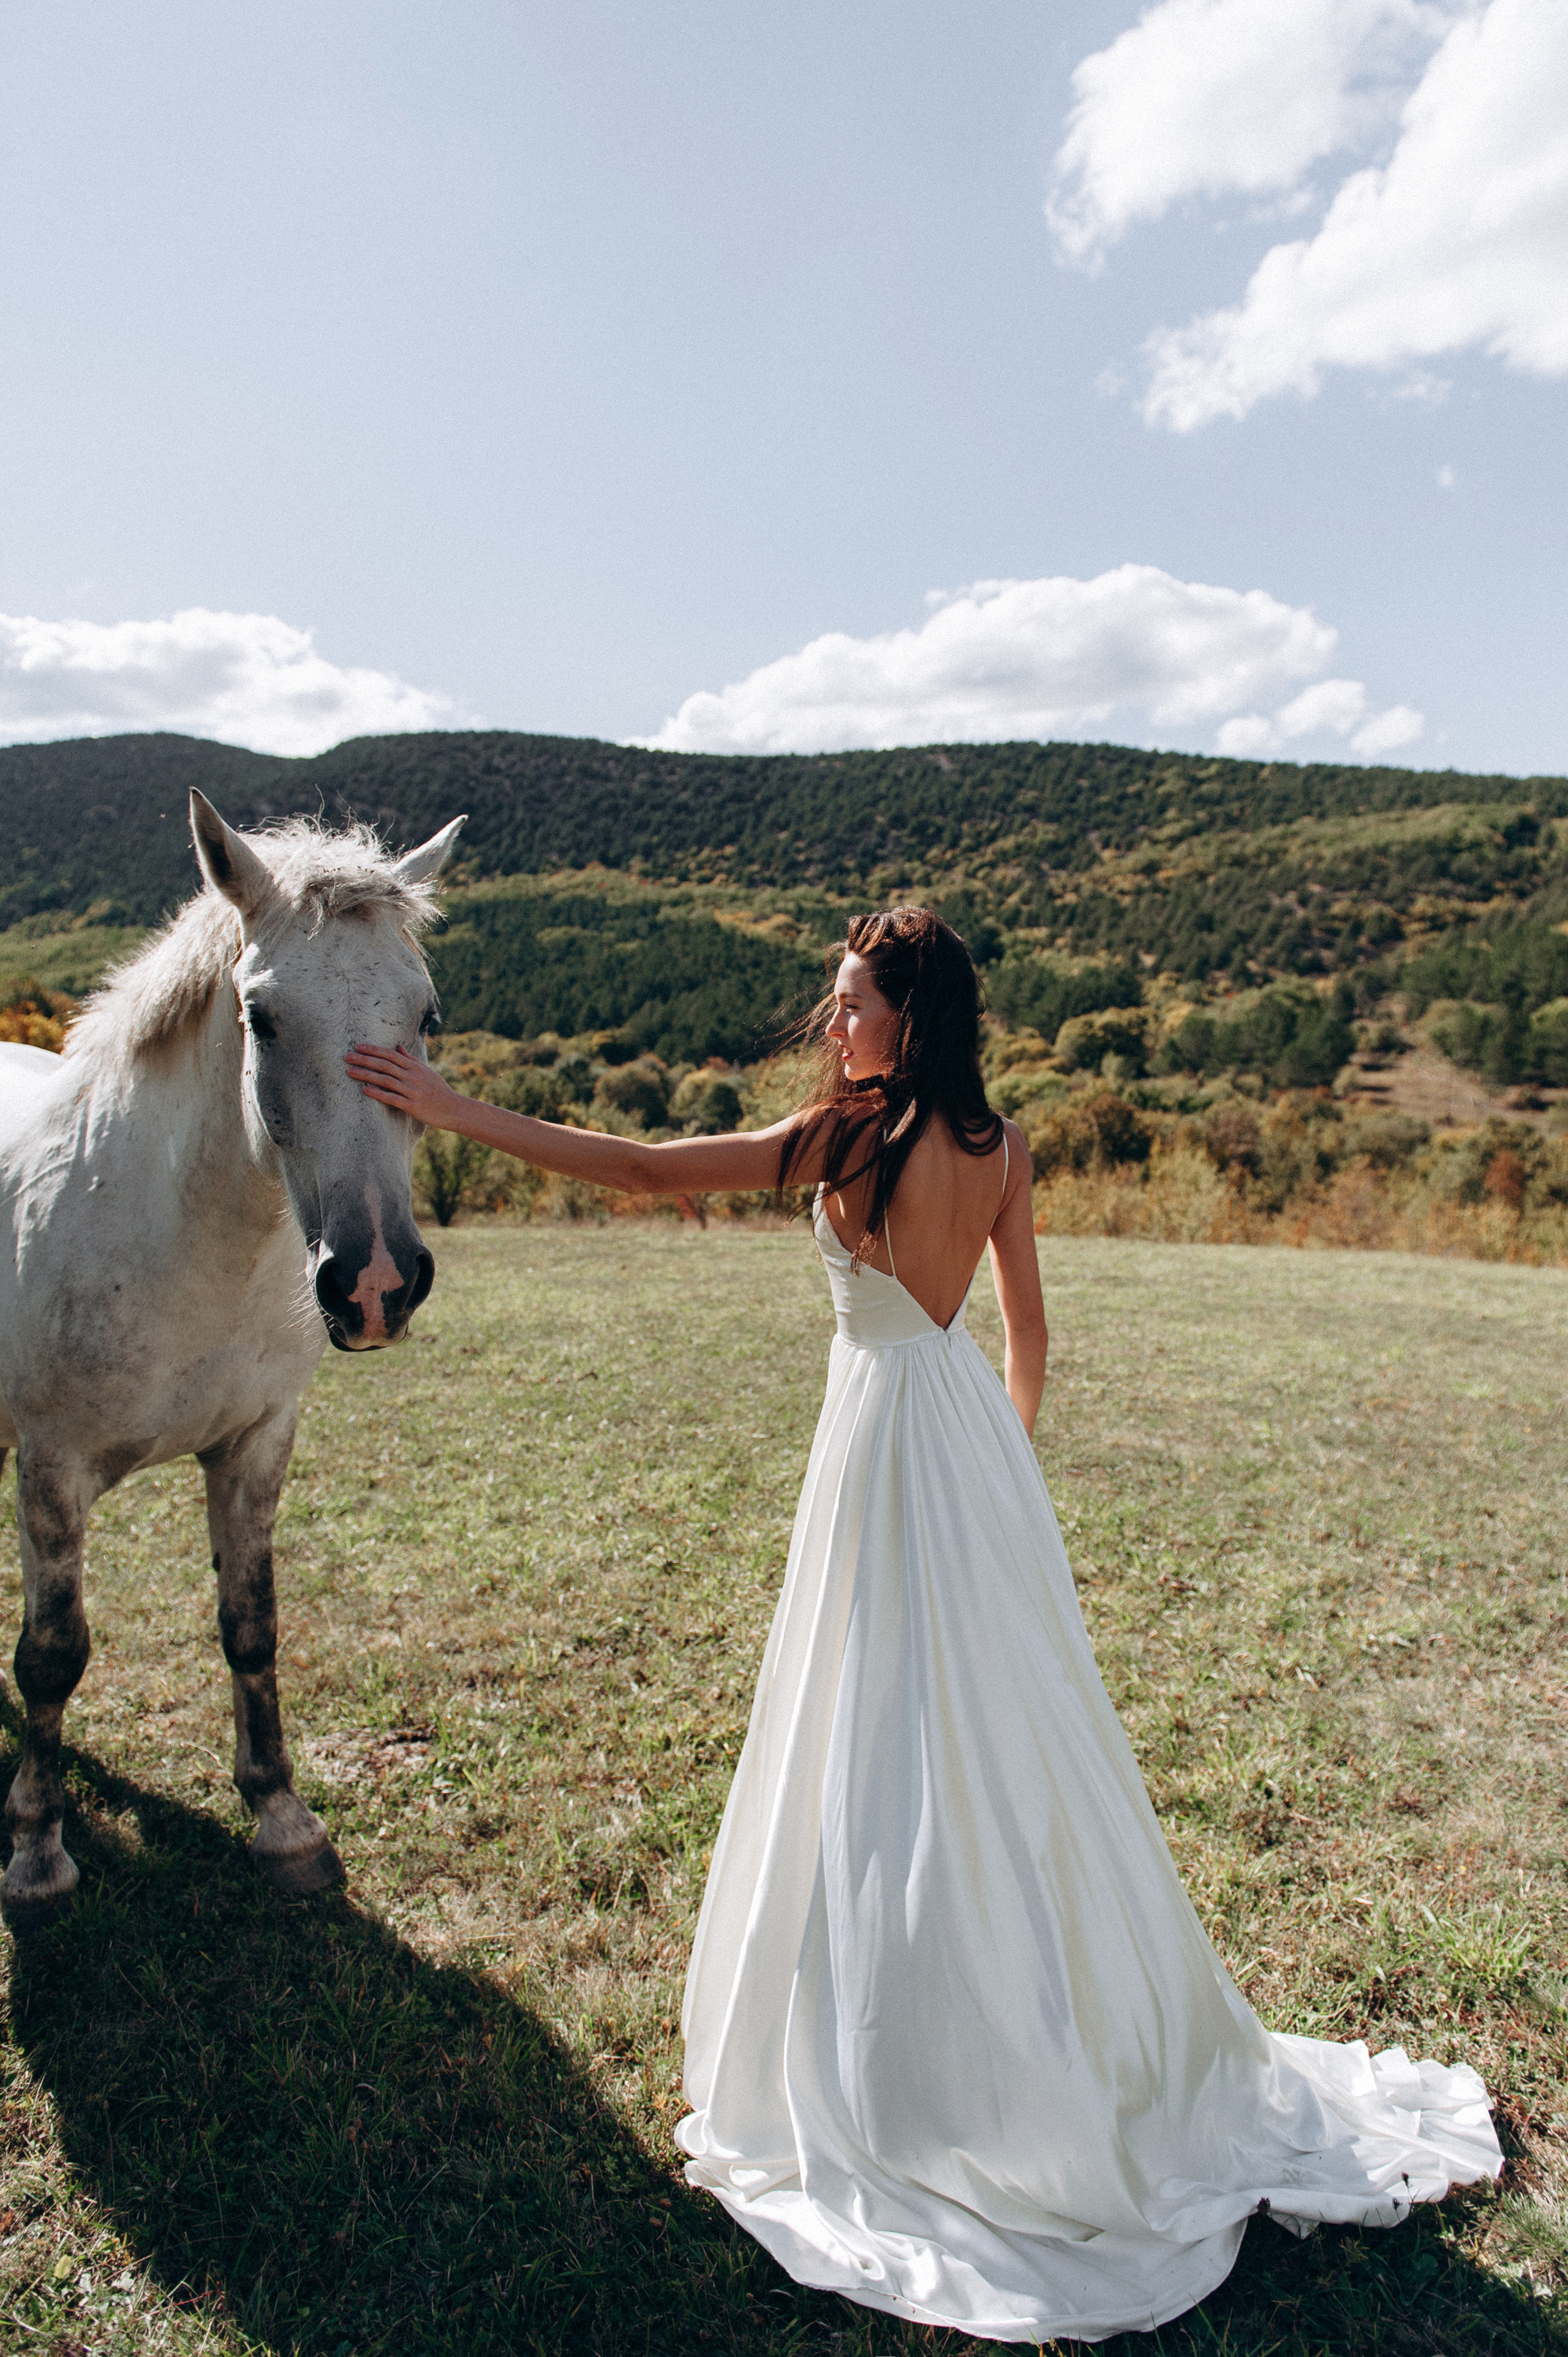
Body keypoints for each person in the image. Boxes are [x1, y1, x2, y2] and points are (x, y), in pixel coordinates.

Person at [346, 907, 1500, 2345]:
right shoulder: (1001, 1146)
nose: (833, 1023)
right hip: (965, 1444)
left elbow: (642, 1168)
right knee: (994, 1729)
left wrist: (448, 1107)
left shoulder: (848, 1137)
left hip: (886, 1443)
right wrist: (997, 1471)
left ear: (906, 1016)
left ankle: (910, 2050)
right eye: (835, 1003)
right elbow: (1026, 1334)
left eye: (850, 1003)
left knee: (874, 1719)